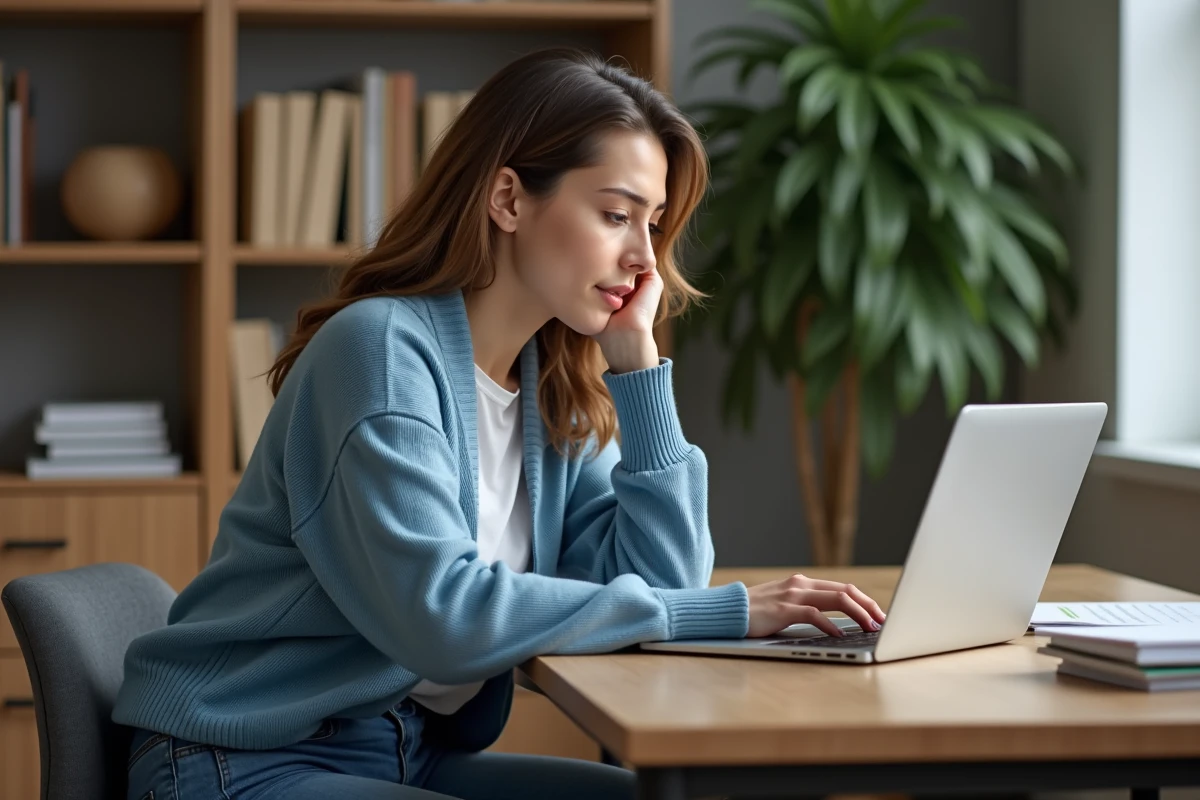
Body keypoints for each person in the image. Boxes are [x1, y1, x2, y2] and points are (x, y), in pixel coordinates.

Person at [112, 47, 887, 800]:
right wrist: (733, 611)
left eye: (652, 225)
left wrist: (640, 374)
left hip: (403, 750)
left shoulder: (549, 385)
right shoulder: (381, 352)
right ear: (509, 199)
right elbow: (443, 619)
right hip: (240, 759)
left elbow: (663, 589)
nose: (644, 260)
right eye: (616, 214)